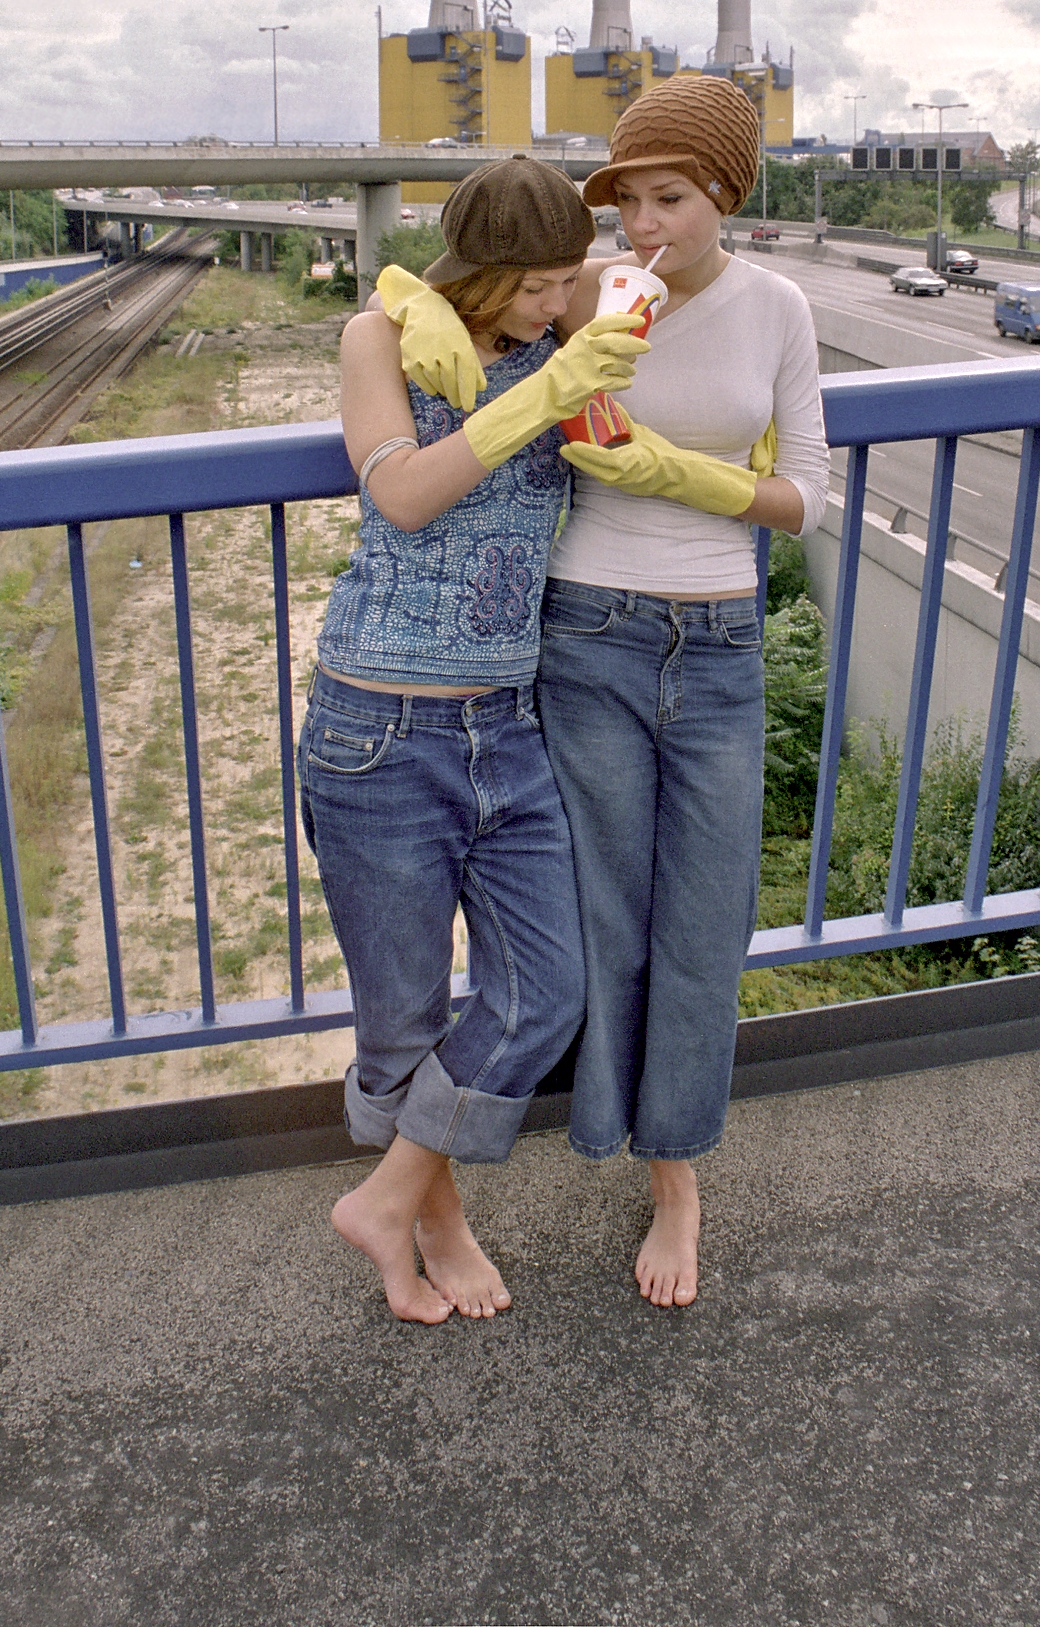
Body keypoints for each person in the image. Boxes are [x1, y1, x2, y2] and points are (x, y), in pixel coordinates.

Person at [384, 77, 829, 1311]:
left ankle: (675, 1174)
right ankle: (606, 1137)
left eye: (668, 199)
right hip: (587, 630)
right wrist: (405, 304)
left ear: (723, 194)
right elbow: (444, 281)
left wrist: (682, 474)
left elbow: (807, 495)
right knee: (602, 916)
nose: (641, 226)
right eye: (625, 200)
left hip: (722, 641)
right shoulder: (586, 292)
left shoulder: (777, 309)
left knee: (704, 923)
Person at [300, 155, 648, 1324]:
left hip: (506, 720)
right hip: (377, 725)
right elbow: (401, 493)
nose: (556, 305)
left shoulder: (564, 323)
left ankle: (388, 1195)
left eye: (564, 282)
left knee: (546, 989)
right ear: (481, 270)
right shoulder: (380, 337)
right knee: (402, 1016)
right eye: (536, 286)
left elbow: (653, 266)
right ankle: (431, 1227)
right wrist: (543, 396)